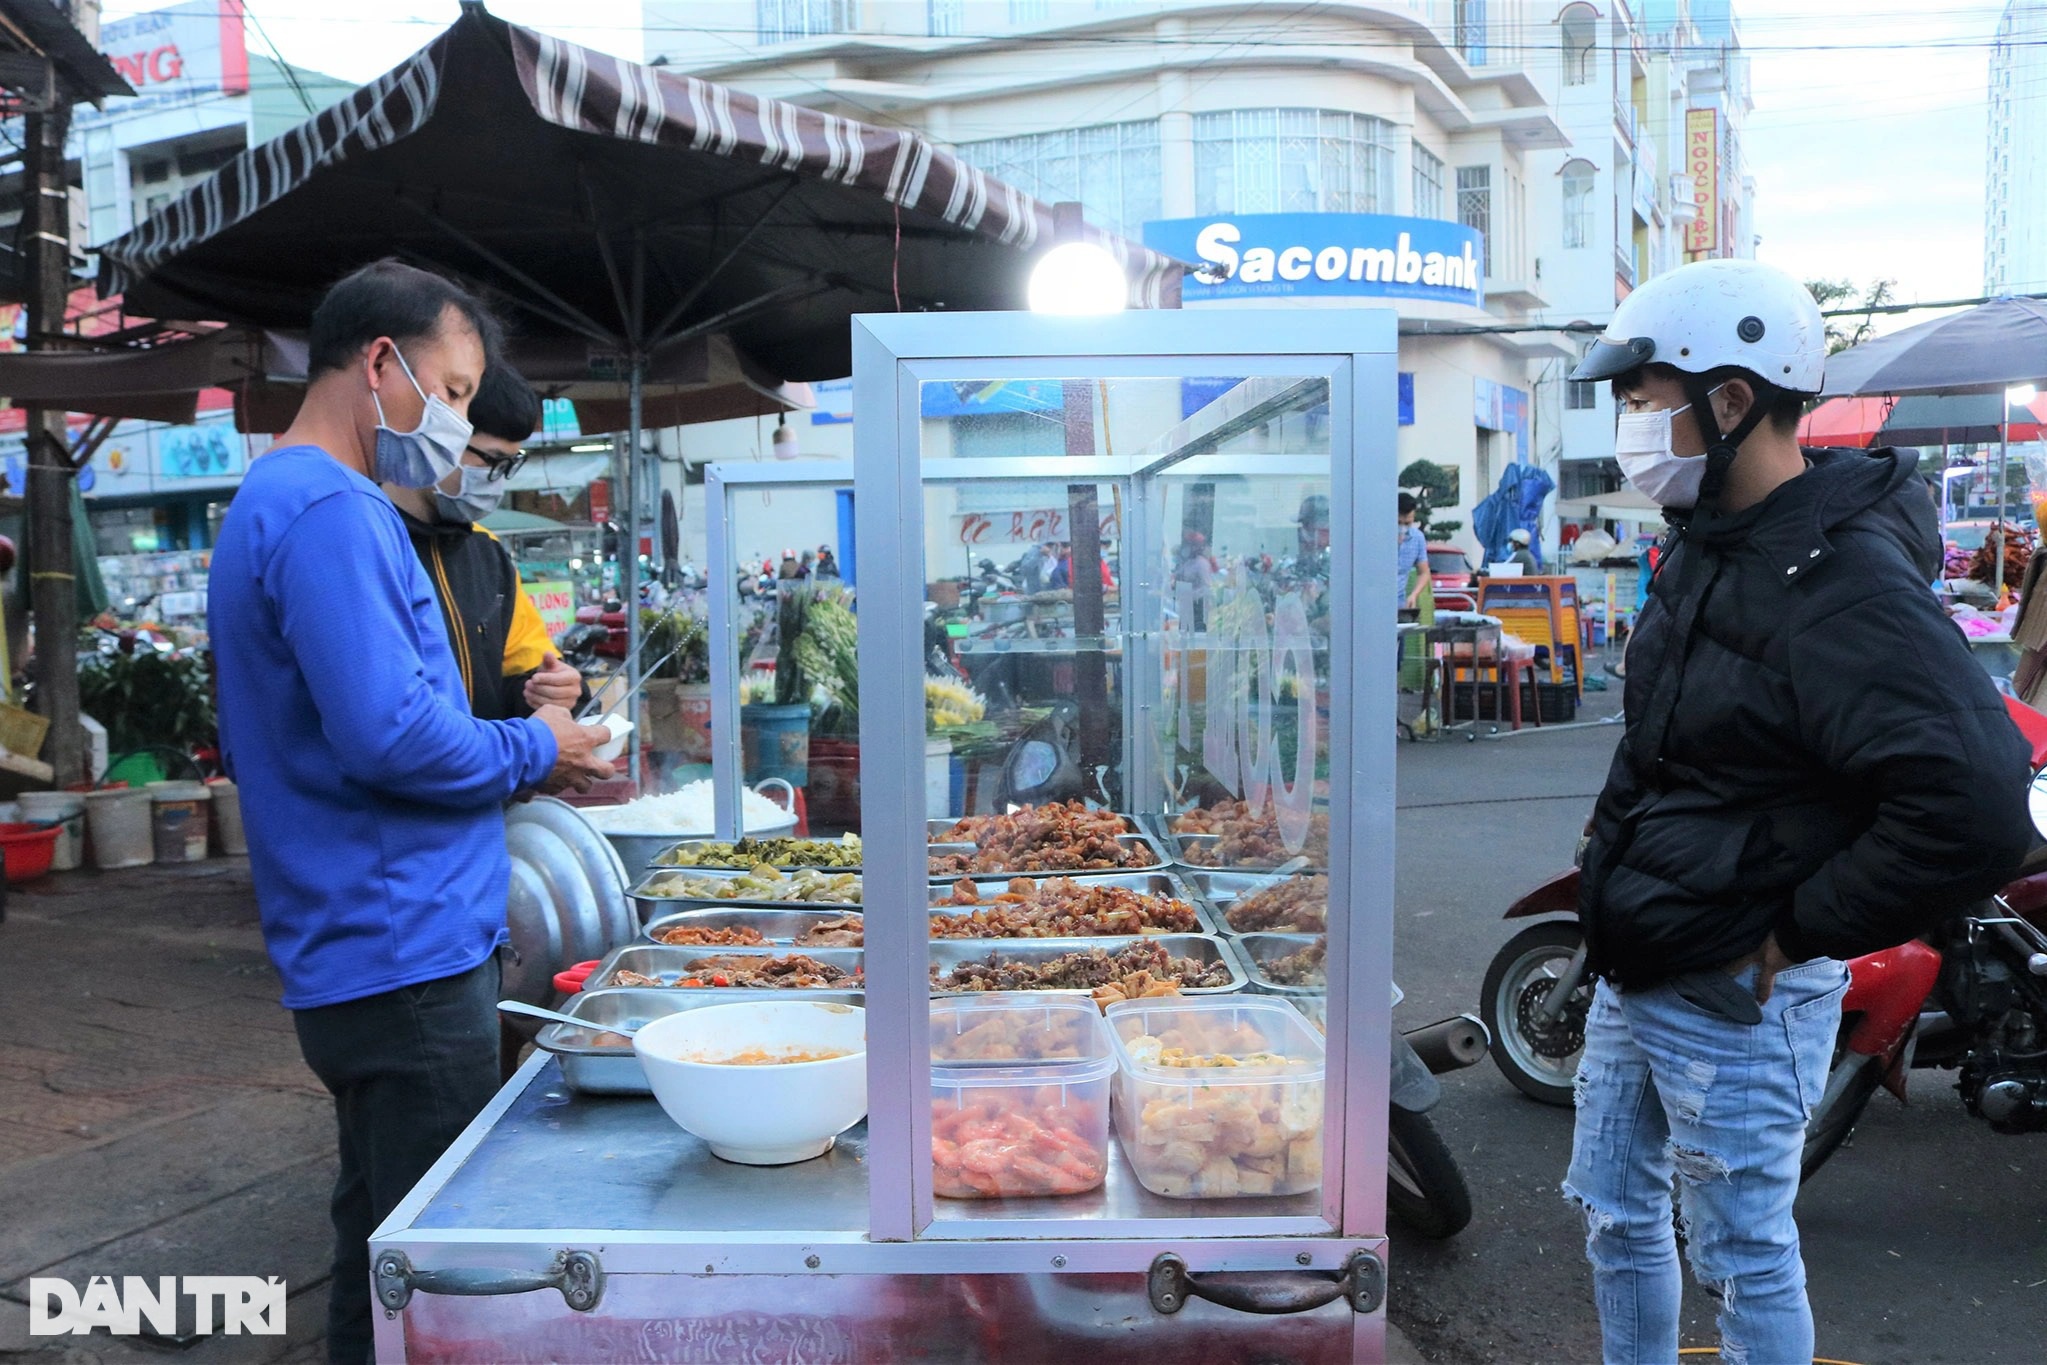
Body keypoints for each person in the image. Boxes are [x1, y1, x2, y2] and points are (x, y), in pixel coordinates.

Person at [1563, 257, 2032, 1365]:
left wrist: (1794, 932)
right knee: (1613, 1211)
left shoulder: (1842, 579)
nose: (1632, 430)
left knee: (1739, 1251)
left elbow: (1973, 805)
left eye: (1644, 403)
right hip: (1639, 952)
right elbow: (1661, 742)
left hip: (1737, 984)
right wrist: (1606, 855)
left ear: (1729, 402)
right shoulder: (1706, 545)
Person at [207, 259, 616, 1365]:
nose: (456, 417)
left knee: (381, 1237)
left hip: (374, 939)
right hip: (400, 952)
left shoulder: (294, 502)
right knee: (437, 1268)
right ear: (381, 364)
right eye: (452, 386)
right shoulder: (330, 510)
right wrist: (542, 744)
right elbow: (392, 738)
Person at [383, 361, 583, 720]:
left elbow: (524, 667)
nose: (497, 481)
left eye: (509, 465)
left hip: (491, 769)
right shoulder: (368, 541)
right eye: (491, 460)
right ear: (439, 437)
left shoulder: (485, 550)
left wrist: (552, 689)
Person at [1397, 492, 1428, 611]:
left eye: (1407, 523)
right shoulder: (1379, 535)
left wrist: (1414, 594)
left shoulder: (1418, 538)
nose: (1403, 527)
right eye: (1398, 523)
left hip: (1400, 601)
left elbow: (1424, 572)